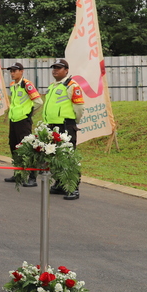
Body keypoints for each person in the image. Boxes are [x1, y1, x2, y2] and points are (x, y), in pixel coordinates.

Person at [42, 59, 85, 200]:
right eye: (53, 68)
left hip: (65, 126)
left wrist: (73, 122)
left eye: (59, 68)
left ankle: (73, 188)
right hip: (51, 126)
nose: (55, 70)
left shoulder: (72, 85)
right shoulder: (53, 86)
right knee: (55, 157)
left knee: (68, 158)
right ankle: (60, 184)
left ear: (66, 70)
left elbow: (79, 108)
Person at [4, 62, 43, 187]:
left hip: (23, 121)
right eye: (11, 71)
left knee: (27, 148)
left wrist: (28, 114)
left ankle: (32, 177)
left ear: (22, 71)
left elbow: (38, 102)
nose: (12, 73)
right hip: (14, 120)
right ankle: (18, 174)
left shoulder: (27, 84)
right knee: (14, 147)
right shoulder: (13, 85)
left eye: (15, 71)